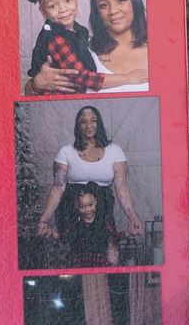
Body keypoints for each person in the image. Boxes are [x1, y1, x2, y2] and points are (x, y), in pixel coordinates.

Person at [36, 104, 143, 247]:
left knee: (105, 250)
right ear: (77, 126)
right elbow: (58, 187)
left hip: (102, 210)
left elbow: (121, 186)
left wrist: (133, 218)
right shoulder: (66, 152)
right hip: (72, 210)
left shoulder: (115, 151)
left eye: (93, 120)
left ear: (99, 123)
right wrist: (44, 220)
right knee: (73, 252)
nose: (88, 125)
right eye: (83, 121)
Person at [23, 0, 97, 93]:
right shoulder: (54, 38)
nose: (63, 9)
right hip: (56, 94)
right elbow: (84, 77)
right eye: (53, 6)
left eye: (68, 0)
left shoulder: (80, 30)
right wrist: (125, 78)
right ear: (43, 11)